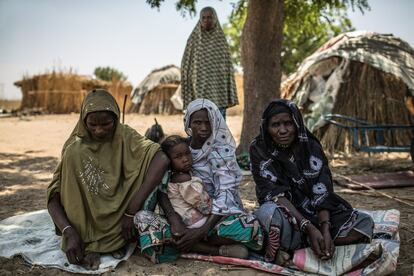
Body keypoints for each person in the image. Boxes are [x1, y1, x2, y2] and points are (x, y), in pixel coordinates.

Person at [47, 89, 169, 270]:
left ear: (116, 119)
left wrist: (131, 211)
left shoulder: (125, 136)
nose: (99, 130)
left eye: (106, 124)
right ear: (83, 121)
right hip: (83, 229)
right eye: (92, 125)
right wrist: (69, 231)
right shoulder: (74, 150)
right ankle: (89, 244)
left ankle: (114, 242)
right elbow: (53, 197)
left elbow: (162, 159)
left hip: (121, 224)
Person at [134, 99, 263, 263]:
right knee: (142, 218)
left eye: (208, 122)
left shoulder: (222, 151)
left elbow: (226, 194)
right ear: (188, 122)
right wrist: (174, 221)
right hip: (181, 220)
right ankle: (216, 250)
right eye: (197, 122)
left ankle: (190, 244)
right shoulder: (178, 149)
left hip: (215, 219)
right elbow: (162, 189)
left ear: (216, 121)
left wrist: (201, 231)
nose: (203, 128)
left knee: (251, 226)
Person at [250, 99, 374, 265]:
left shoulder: (310, 145)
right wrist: (308, 227)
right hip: (287, 214)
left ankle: (303, 244)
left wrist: (325, 228)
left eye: (288, 123)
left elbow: (322, 192)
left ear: (297, 123)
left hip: (316, 212)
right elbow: (273, 194)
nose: (282, 130)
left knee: (363, 223)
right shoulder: (259, 148)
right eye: (275, 125)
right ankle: (308, 241)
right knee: (269, 216)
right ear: (267, 127)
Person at [180, 6, 238, 120]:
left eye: (210, 17)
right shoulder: (193, 40)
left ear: (215, 19)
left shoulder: (221, 41)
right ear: (200, 20)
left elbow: (228, 69)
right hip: (198, 96)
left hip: (219, 96)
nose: (207, 20)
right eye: (204, 18)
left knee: (218, 131)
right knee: (200, 130)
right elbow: (185, 66)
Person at [161, 135, 212, 229]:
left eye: (187, 153)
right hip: (196, 221)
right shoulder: (183, 179)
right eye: (178, 157)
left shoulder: (171, 178)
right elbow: (203, 206)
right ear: (168, 161)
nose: (185, 159)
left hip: (185, 221)